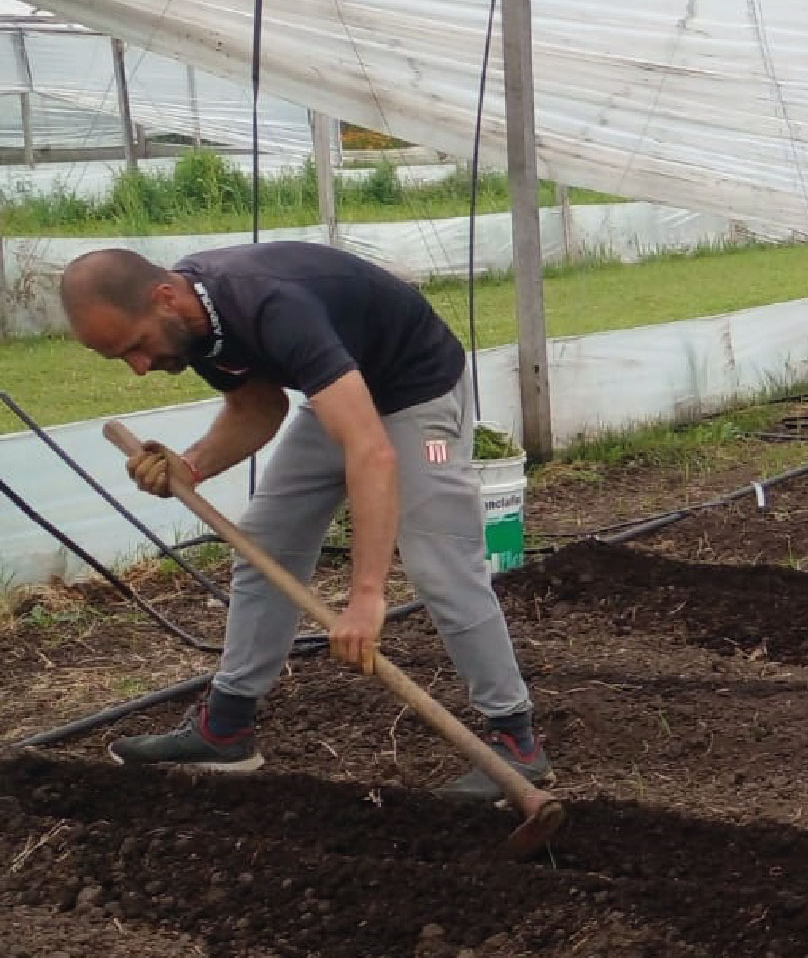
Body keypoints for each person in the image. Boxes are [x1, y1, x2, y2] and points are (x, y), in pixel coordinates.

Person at [56, 243, 550, 804]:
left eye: (137, 347)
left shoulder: (271, 304)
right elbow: (258, 408)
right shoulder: (193, 327)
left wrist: (366, 596)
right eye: (122, 358)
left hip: (416, 392)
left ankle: (517, 741)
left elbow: (371, 450)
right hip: (342, 393)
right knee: (268, 539)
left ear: (163, 298)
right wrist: (189, 467)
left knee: (440, 560)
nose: (140, 367)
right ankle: (226, 729)